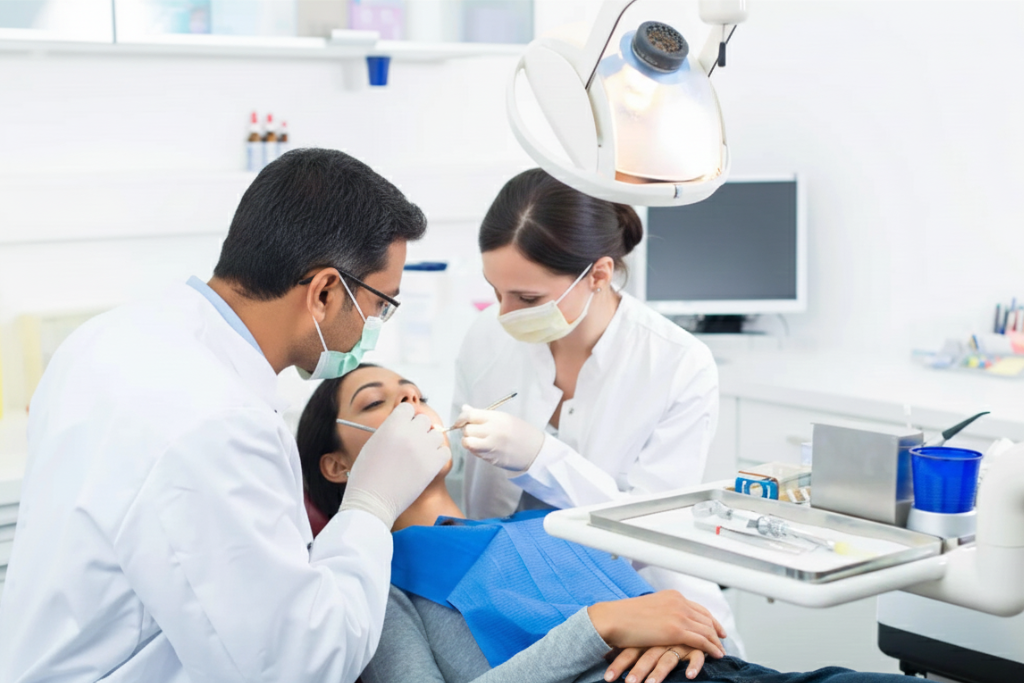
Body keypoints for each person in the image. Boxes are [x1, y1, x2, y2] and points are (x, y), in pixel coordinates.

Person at [0, 149, 451, 683]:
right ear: (325, 292)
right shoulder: (219, 423)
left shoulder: (108, 337)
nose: (377, 325)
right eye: (380, 304)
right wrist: (370, 507)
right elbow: (299, 665)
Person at [299, 365, 915, 683]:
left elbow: (672, 615)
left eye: (415, 393)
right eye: (376, 402)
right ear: (337, 464)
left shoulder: (537, 526)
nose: (411, 404)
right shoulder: (375, 582)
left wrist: (676, 631)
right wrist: (600, 625)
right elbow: (609, 625)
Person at [451, 168, 741, 652]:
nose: (504, 314)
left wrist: (542, 458)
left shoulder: (677, 363)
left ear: (599, 275)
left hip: (645, 603)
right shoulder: (485, 338)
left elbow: (650, 530)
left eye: (527, 298)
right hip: (508, 593)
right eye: (496, 291)